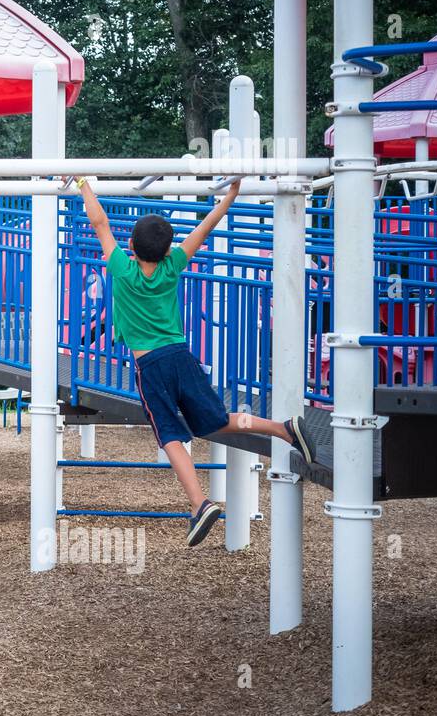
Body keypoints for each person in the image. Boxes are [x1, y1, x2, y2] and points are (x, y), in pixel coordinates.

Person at [65, 175, 317, 546]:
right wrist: (230, 195)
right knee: (215, 420)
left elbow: (100, 222)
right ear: (167, 251)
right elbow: (206, 226)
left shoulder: (122, 268)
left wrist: (84, 184)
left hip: (152, 368)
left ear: (131, 245)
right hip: (182, 358)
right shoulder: (172, 266)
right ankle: (283, 429)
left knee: (170, 436)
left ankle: (200, 503)